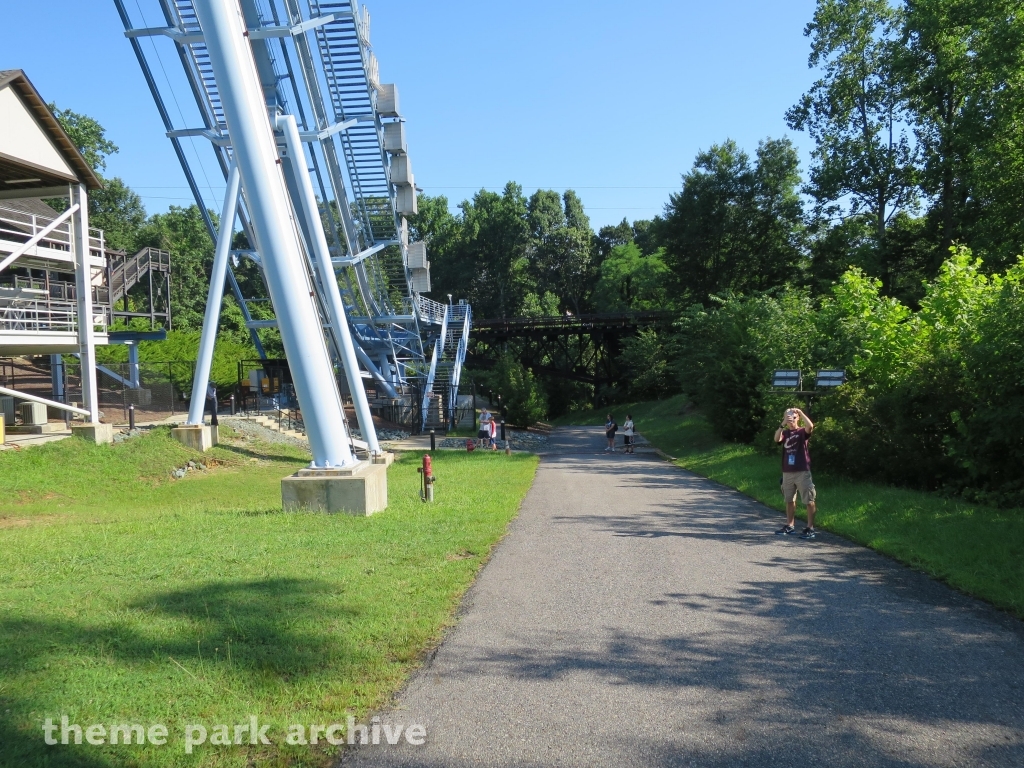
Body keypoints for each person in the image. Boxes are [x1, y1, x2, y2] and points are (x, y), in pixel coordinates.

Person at [775, 407, 817, 539]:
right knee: (789, 499)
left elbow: (810, 426)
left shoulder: (801, 432)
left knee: (809, 500)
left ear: (797, 417)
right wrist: (782, 423)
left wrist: (800, 412)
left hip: (802, 471)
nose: (790, 418)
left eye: (792, 416)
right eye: (787, 416)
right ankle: (790, 525)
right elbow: (777, 439)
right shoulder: (785, 433)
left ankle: (810, 528)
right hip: (787, 472)